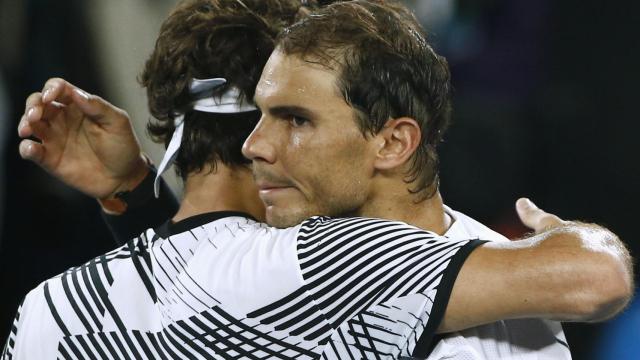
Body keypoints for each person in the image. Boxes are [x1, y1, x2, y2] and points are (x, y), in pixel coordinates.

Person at [9, 0, 632, 359]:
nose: (261, 145)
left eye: (295, 118)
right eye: (262, 115)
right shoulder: (318, 267)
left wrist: (137, 194)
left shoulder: (44, 307)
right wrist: (571, 239)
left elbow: (203, 282)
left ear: (393, 140)